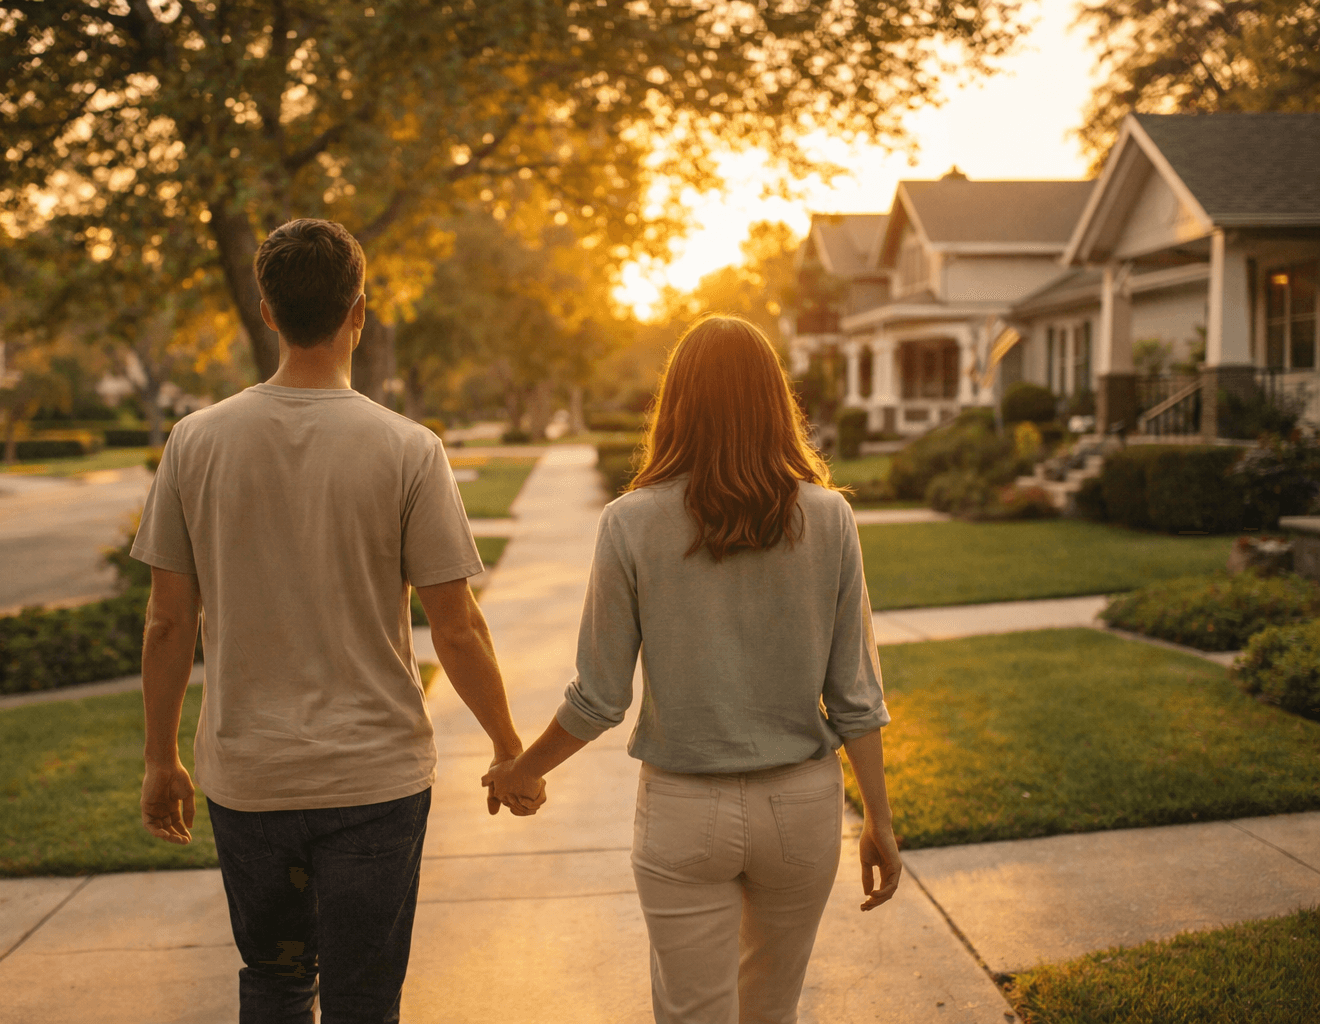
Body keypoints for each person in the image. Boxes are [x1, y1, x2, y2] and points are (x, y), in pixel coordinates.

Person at [133, 218, 541, 1024]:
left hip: (250, 781)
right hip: (375, 780)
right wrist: (506, 745)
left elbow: (168, 622)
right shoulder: (408, 449)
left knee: (276, 983)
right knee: (364, 1001)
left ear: (267, 311)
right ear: (361, 311)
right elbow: (456, 628)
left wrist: (160, 759)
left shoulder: (194, 442)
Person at [485, 314, 901, 1024]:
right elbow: (855, 697)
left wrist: (526, 768)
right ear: (776, 403)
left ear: (674, 404)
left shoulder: (631, 522)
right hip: (800, 807)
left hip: (684, 811)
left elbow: (599, 697)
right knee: (771, 1011)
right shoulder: (830, 519)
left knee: (691, 1015)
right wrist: (880, 823)